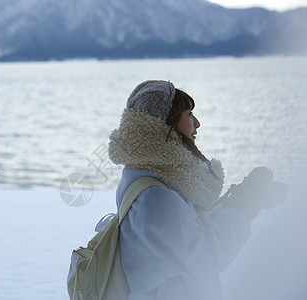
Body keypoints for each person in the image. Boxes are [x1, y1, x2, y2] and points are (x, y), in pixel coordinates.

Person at [108, 80, 286, 300]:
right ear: (163, 124)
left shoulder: (142, 175)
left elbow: (181, 233)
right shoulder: (156, 197)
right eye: (189, 114)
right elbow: (207, 258)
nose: (197, 123)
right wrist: (244, 207)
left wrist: (236, 204)